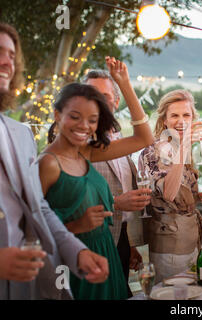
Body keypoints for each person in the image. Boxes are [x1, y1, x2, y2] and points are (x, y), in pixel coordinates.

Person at [0, 22, 109, 300]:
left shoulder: (21, 134)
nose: (6, 62)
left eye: (12, 55)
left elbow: (40, 209)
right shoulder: (49, 158)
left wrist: (77, 251)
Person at [38, 58, 154, 299]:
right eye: (75, 116)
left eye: (92, 119)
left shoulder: (88, 150)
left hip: (107, 251)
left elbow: (144, 138)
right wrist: (78, 225)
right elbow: (31, 229)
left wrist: (124, 83)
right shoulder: (47, 163)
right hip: (76, 259)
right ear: (57, 115)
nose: (85, 126)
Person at [82, 68, 150, 298]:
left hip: (118, 238)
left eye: (105, 96)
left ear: (116, 100)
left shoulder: (117, 136)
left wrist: (128, 243)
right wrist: (116, 203)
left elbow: (121, 183)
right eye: (91, 94)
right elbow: (68, 199)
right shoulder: (78, 141)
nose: (98, 102)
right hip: (89, 241)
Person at [138, 89, 202, 283]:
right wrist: (185, 147)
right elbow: (169, 194)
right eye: (175, 115)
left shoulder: (180, 148)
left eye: (186, 115)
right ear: (164, 120)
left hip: (192, 239)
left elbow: (181, 193)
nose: (181, 121)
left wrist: (199, 197)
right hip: (169, 245)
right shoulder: (152, 150)